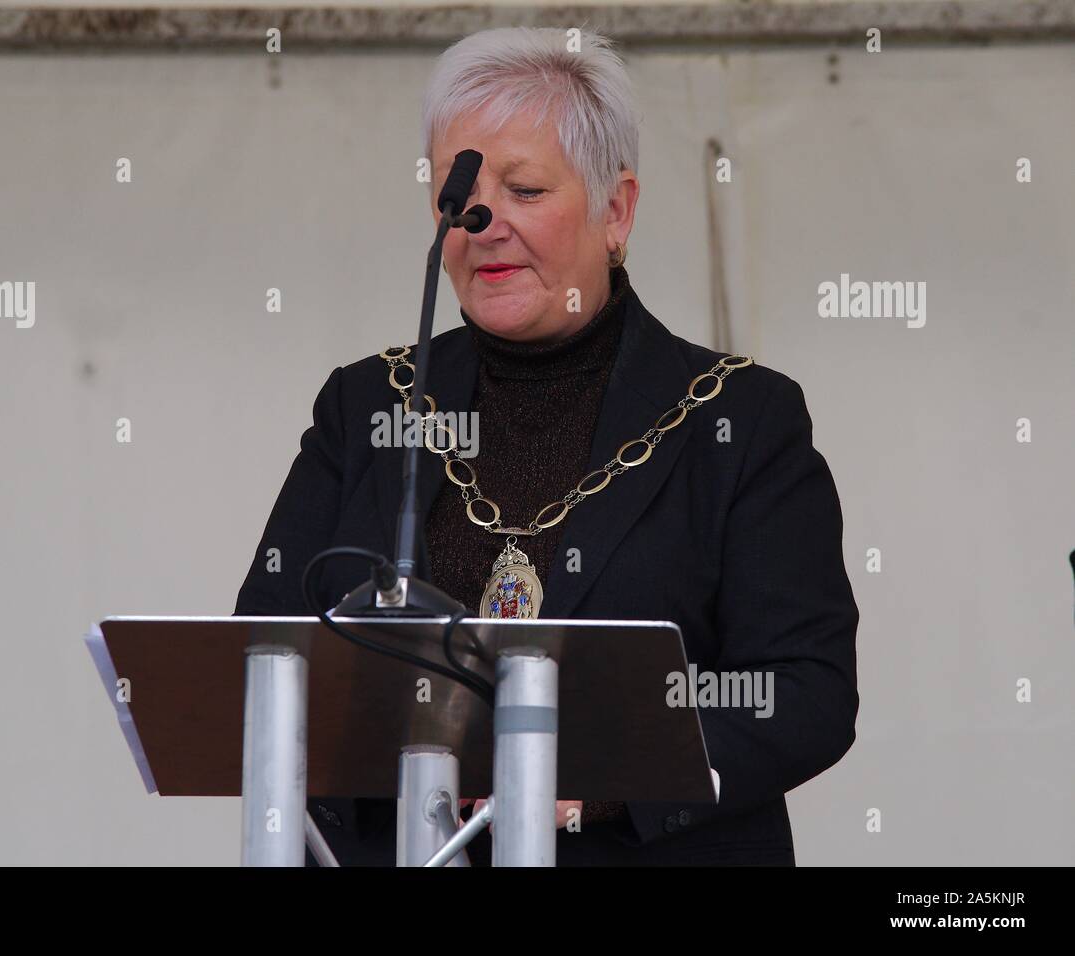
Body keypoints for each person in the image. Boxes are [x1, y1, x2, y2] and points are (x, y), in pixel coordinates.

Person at [234, 26, 859, 866]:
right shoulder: (367, 404)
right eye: (460, 194)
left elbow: (804, 693)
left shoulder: (741, 420)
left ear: (616, 210)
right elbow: (263, 650)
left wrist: (598, 780)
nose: (484, 222)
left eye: (525, 189)